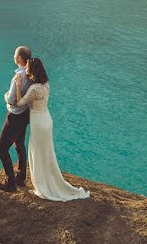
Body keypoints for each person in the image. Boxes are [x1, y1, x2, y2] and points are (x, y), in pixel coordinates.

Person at [14, 57, 89, 201]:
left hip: (38, 122)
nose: (26, 70)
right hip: (47, 119)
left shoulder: (34, 88)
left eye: (28, 68)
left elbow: (20, 102)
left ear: (32, 70)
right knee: (46, 152)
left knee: (37, 152)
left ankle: (42, 185)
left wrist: (18, 85)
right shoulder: (46, 84)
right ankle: (49, 179)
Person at [0, 46, 32, 192]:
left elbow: (11, 100)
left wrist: (5, 96)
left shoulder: (18, 76)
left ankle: (10, 183)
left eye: (15, 54)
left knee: (1, 148)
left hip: (15, 116)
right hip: (25, 115)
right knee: (19, 144)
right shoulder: (31, 73)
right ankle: (21, 177)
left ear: (19, 59)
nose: (13, 56)